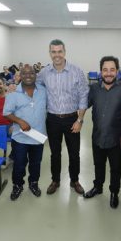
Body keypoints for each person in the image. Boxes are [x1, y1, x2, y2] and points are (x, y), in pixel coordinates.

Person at [36, 39, 89, 195]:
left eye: (60, 51)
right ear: (50, 53)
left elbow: (83, 96)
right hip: (52, 119)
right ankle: (55, 180)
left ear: (64, 52)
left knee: (74, 153)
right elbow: (33, 85)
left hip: (72, 118)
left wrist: (80, 120)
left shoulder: (76, 71)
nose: (57, 55)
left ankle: (74, 180)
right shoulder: (44, 73)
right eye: (54, 52)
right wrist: (16, 88)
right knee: (55, 153)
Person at [84, 56, 121, 208]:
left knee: (116, 168)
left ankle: (114, 193)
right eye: (105, 70)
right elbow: (83, 104)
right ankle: (98, 187)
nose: (108, 73)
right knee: (98, 164)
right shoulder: (94, 89)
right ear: (101, 72)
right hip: (97, 136)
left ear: (117, 71)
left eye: (112, 70)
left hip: (116, 138)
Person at [3, 64, 47, 201]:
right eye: (25, 73)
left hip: (37, 137)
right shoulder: (13, 93)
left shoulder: (43, 91)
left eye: (31, 73)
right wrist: (19, 121)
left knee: (36, 163)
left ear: (36, 75)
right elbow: (6, 113)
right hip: (20, 137)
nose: (28, 76)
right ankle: (17, 185)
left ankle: (33, 183)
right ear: (20, 76)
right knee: (19, 164)